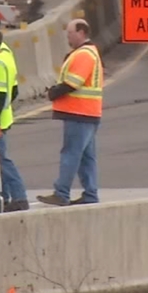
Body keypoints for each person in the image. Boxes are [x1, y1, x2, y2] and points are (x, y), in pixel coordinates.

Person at [36, 18, 103, 207]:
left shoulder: (84, 55)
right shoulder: (88, 53)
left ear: (81, 32)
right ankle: (90, 193)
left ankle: (61, 193)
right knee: (86, 157)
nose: (68, 37)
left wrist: (53, 92)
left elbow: (73, 82)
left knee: (71, 154)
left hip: (79, 112)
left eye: (70, 34)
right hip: (88, 113)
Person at [0, 28, 29, 212]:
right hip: (2, 117)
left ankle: (19, 197)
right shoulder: (7, 58)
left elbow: (0, 96)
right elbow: (13, 91)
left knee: (2, 160)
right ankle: (8, 198)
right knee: (0, 159)